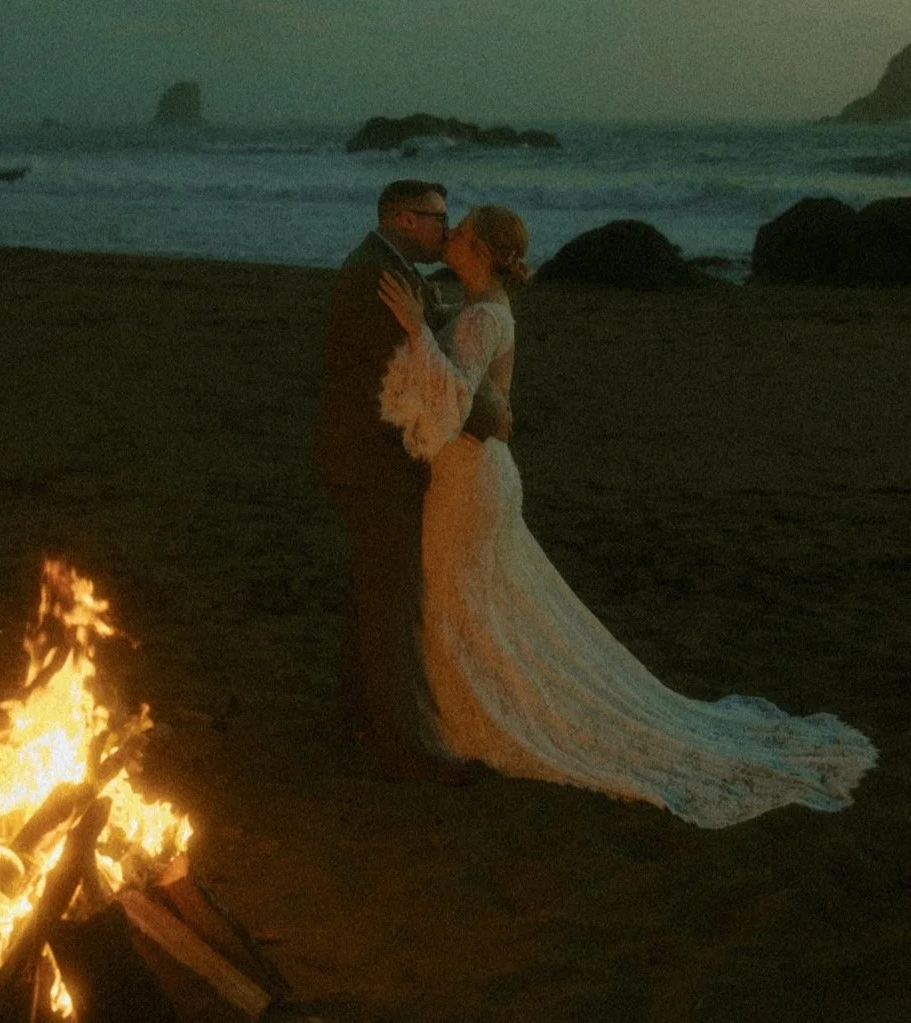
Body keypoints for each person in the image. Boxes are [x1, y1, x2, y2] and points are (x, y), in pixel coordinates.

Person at [376, 205, 877, 827]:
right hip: (482, 476)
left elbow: (453, 396)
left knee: (459, 595)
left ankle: (471, 717)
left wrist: (418, 329)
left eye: (461, 232)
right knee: (483, 600)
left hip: (469, 480)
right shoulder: (484, 306)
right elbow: (483, 394)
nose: (448, 235)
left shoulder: (479, 316)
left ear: (480, 252)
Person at [313, 180, 497, 779]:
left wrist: (459, 312)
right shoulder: (377, 276)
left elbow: (425, 327)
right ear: (404, 219)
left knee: (373, 592)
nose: (446, 231)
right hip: (372, 461)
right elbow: (422, 371)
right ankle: (405, 746)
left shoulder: (387, 267)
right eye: (438, 219)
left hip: (361, 456)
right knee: (392, 598)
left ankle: (356, 720)